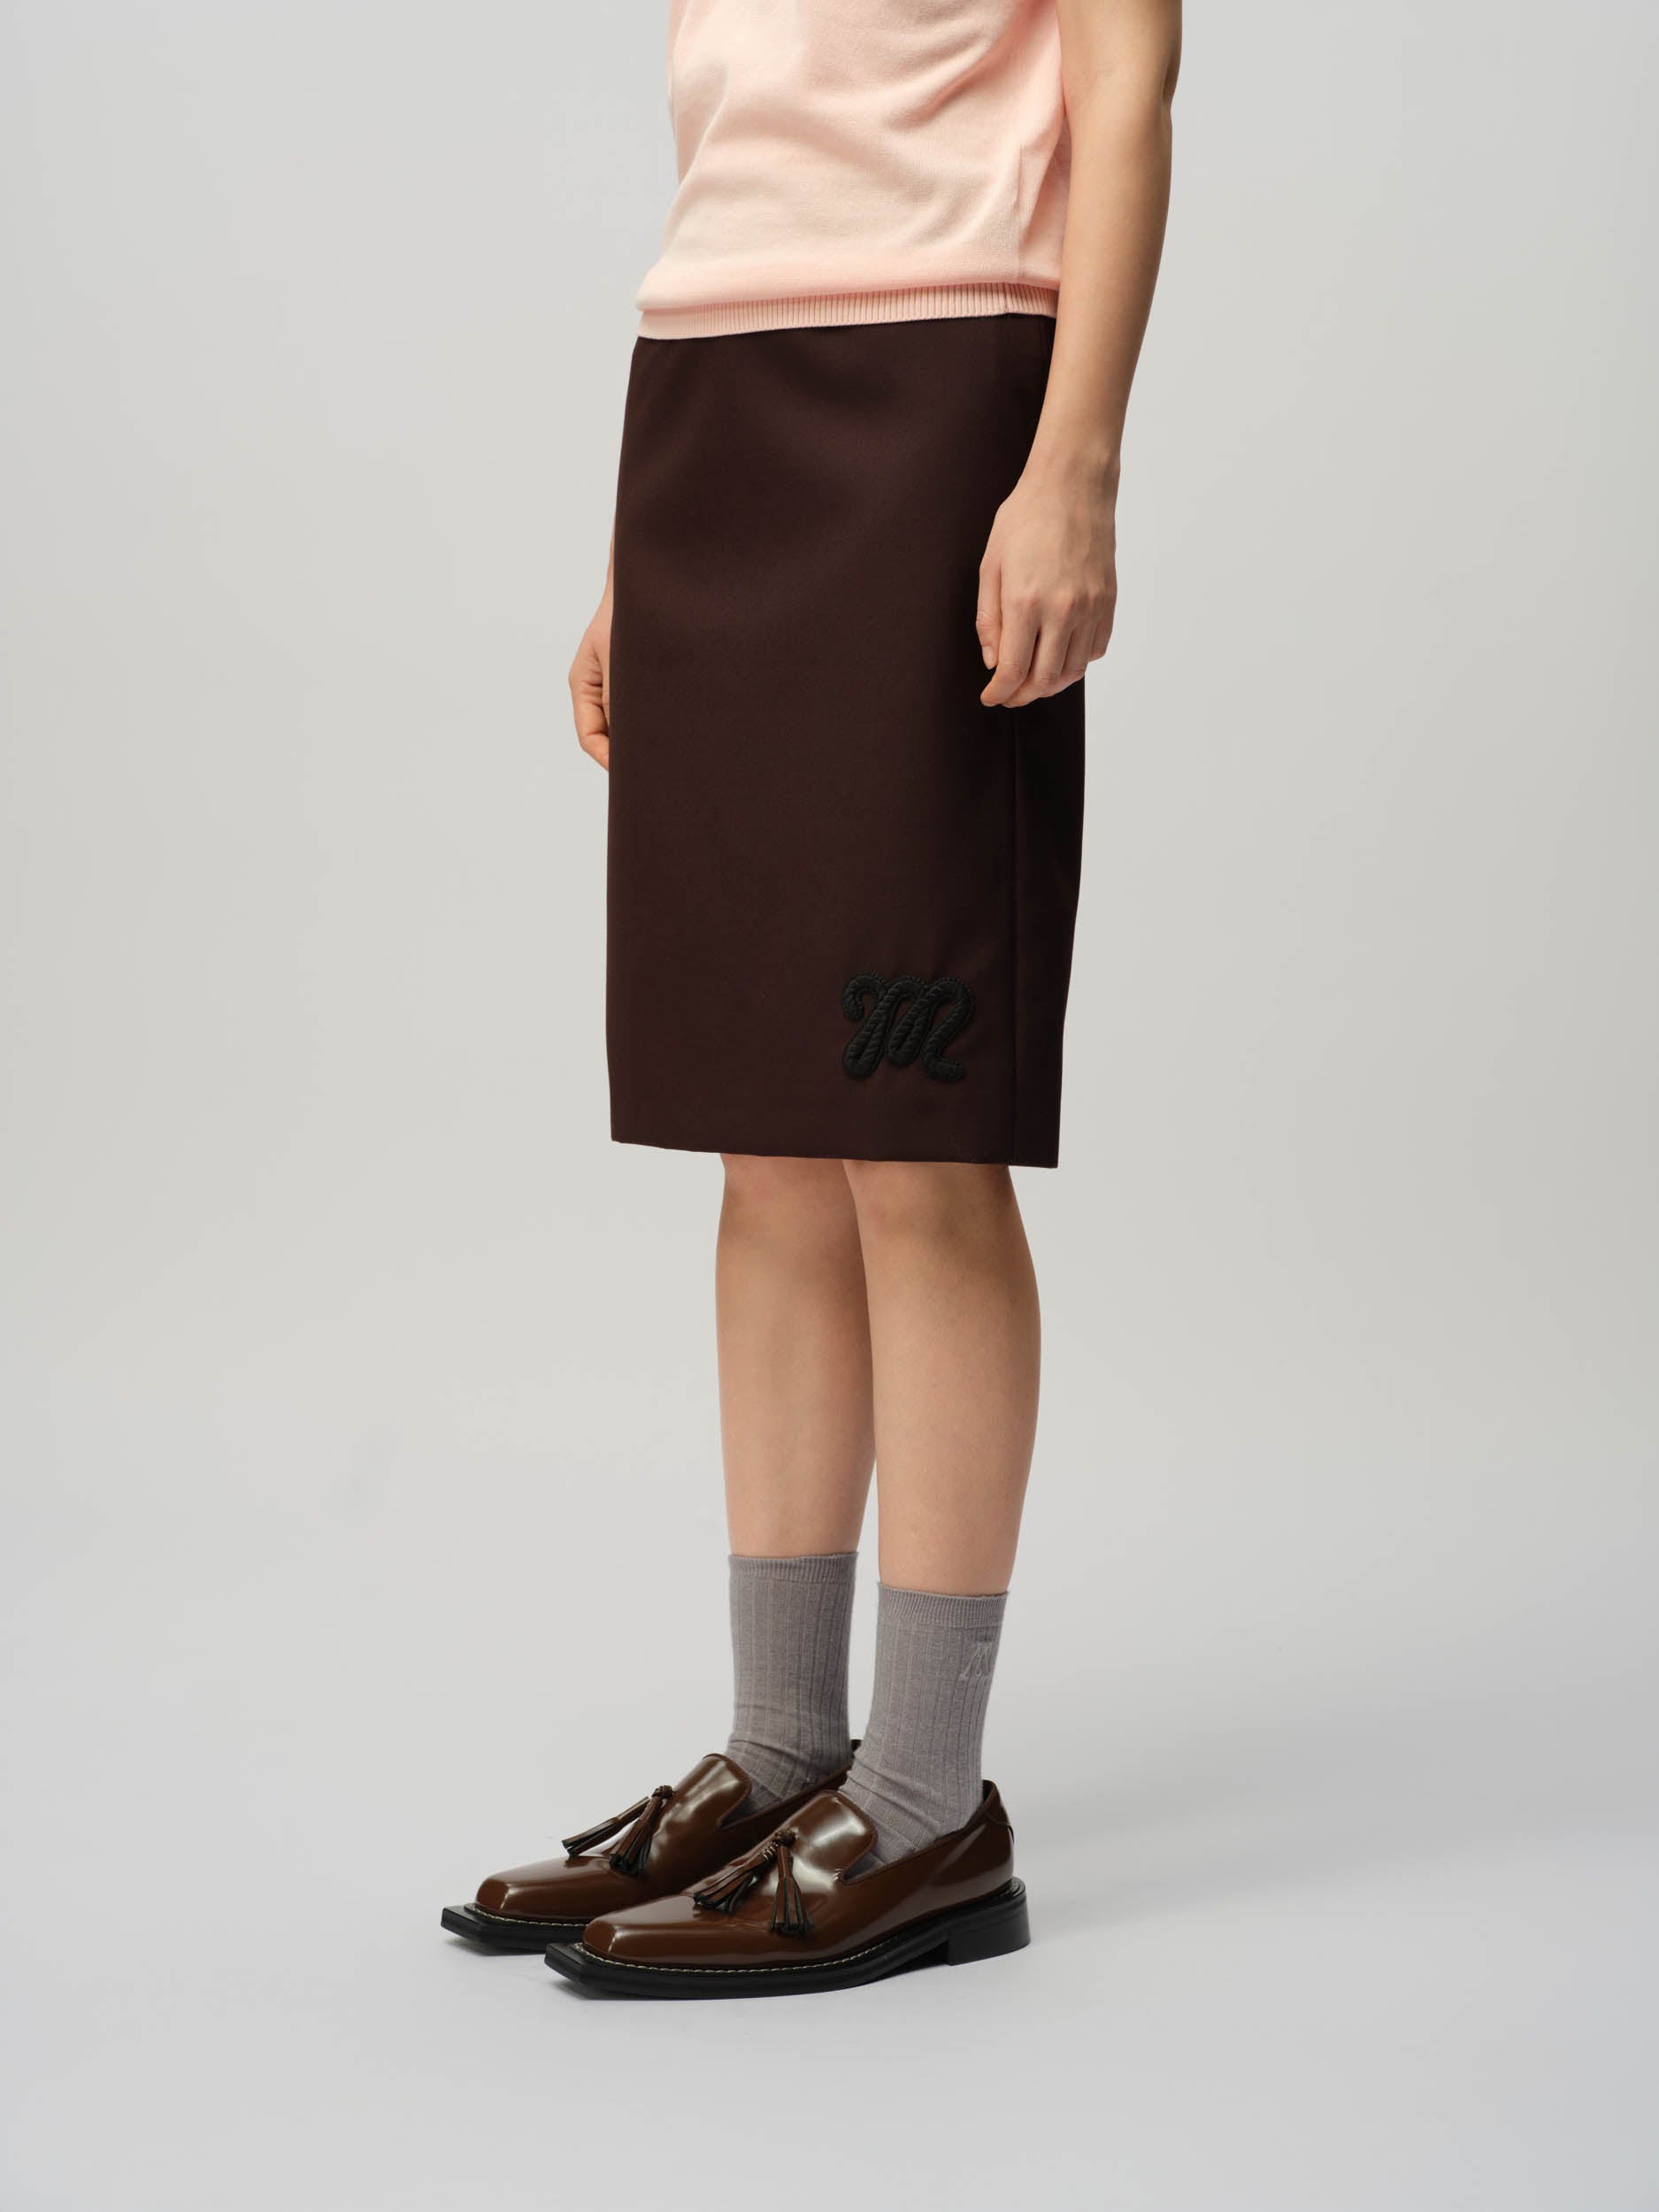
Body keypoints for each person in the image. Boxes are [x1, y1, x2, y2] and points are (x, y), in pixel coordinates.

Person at [443, 0, 1182, 1997]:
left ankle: (926, 1798)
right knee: (763, 1133)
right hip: (708, 411)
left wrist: (1074, 462)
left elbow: (1124, 84)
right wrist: (637, 558)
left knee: (907, 1129)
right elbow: (749, 148)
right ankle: (784, 1748)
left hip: (940, 393)